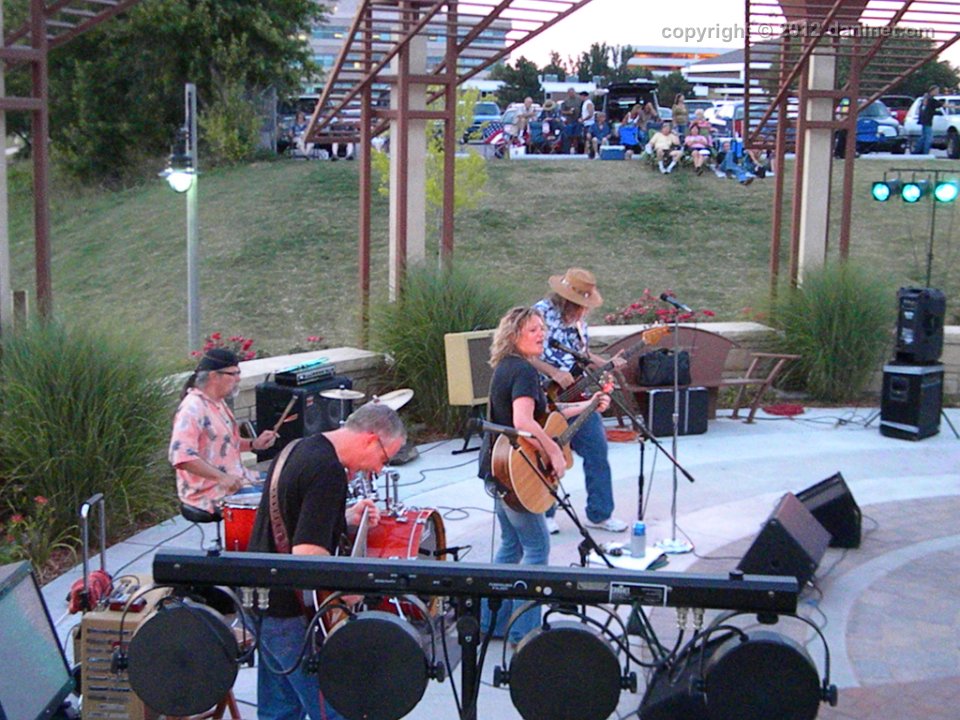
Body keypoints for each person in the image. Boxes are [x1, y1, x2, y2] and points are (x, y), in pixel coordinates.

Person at [247, 402, 405, 720]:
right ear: (370, 439)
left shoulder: (298, 448)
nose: (378, 470)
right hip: (291, 614)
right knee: (336, 708)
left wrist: (345, 517)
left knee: (278, 711)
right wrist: (346, 591)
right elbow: (307, 556)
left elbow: (296, 522)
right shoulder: (328, 472)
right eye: (384, 458)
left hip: (262, 601)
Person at [478, 307, 609, 645]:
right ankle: (523, 633)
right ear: (514, 335)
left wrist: (588, 405)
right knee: (537, 548)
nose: (542, 334)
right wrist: (552, 450)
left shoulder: (509, 366)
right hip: (516, 468)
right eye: (533, 329)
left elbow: (546, 411)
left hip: (499, 468)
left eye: (542, 328)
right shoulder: (523, 370)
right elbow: (523, 423)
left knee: (511, 546)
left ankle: (491, 624)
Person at [530, 269, 627, 535]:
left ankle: (600, 514)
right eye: (579, 305)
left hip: (577, 393)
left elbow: (582, 354)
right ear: (565, 300)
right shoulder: (539, 314)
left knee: (597, 450)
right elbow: (524, 354)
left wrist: (606, 363)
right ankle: (545, 513)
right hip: (545, 394)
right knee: (547, 452)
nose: (583, 311)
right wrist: (553, 372)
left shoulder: (579, 322)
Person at [169, 348, 278, 514]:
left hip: (238, 479)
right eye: (233, 374)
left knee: (285, 484)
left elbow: (225, 444)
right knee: (276, 503)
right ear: (214, 376)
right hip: (208, 492)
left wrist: (254, 444)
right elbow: (182, 457)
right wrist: (221, 478)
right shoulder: (192, 408)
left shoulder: (218, 402)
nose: (238, 379)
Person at [916, 85, 943, 155]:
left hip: (924, 120)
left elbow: (927, 109)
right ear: (932, 91)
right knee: (929, 138)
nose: (938, 92)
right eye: (937, 91)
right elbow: (942, 105)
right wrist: (956, 106)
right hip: (927, 121)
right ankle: (925, 153)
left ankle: (917, 151)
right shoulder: (931, 100)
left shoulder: (926, 98)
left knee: (923, 137)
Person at [560, 87, 583, 154]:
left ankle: (577, 150)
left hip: (578, 120)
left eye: (573, 92)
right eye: (570, 93)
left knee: (577, 136)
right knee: (569, 136)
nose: (572, 94)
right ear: (568, 93)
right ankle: (568, 150)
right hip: (569, 121)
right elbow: (562, 111)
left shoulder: (579, 100)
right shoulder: (566, 101)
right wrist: (568, 112)